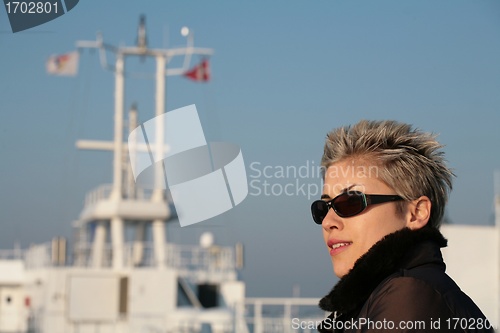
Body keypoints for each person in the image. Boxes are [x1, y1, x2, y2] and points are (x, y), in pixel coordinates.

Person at [311, 120, 493, 332]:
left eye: (350, 202)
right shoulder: (393, 293)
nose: (327, 222)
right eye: (323, 207)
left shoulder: (410, 293)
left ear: (416, 213)